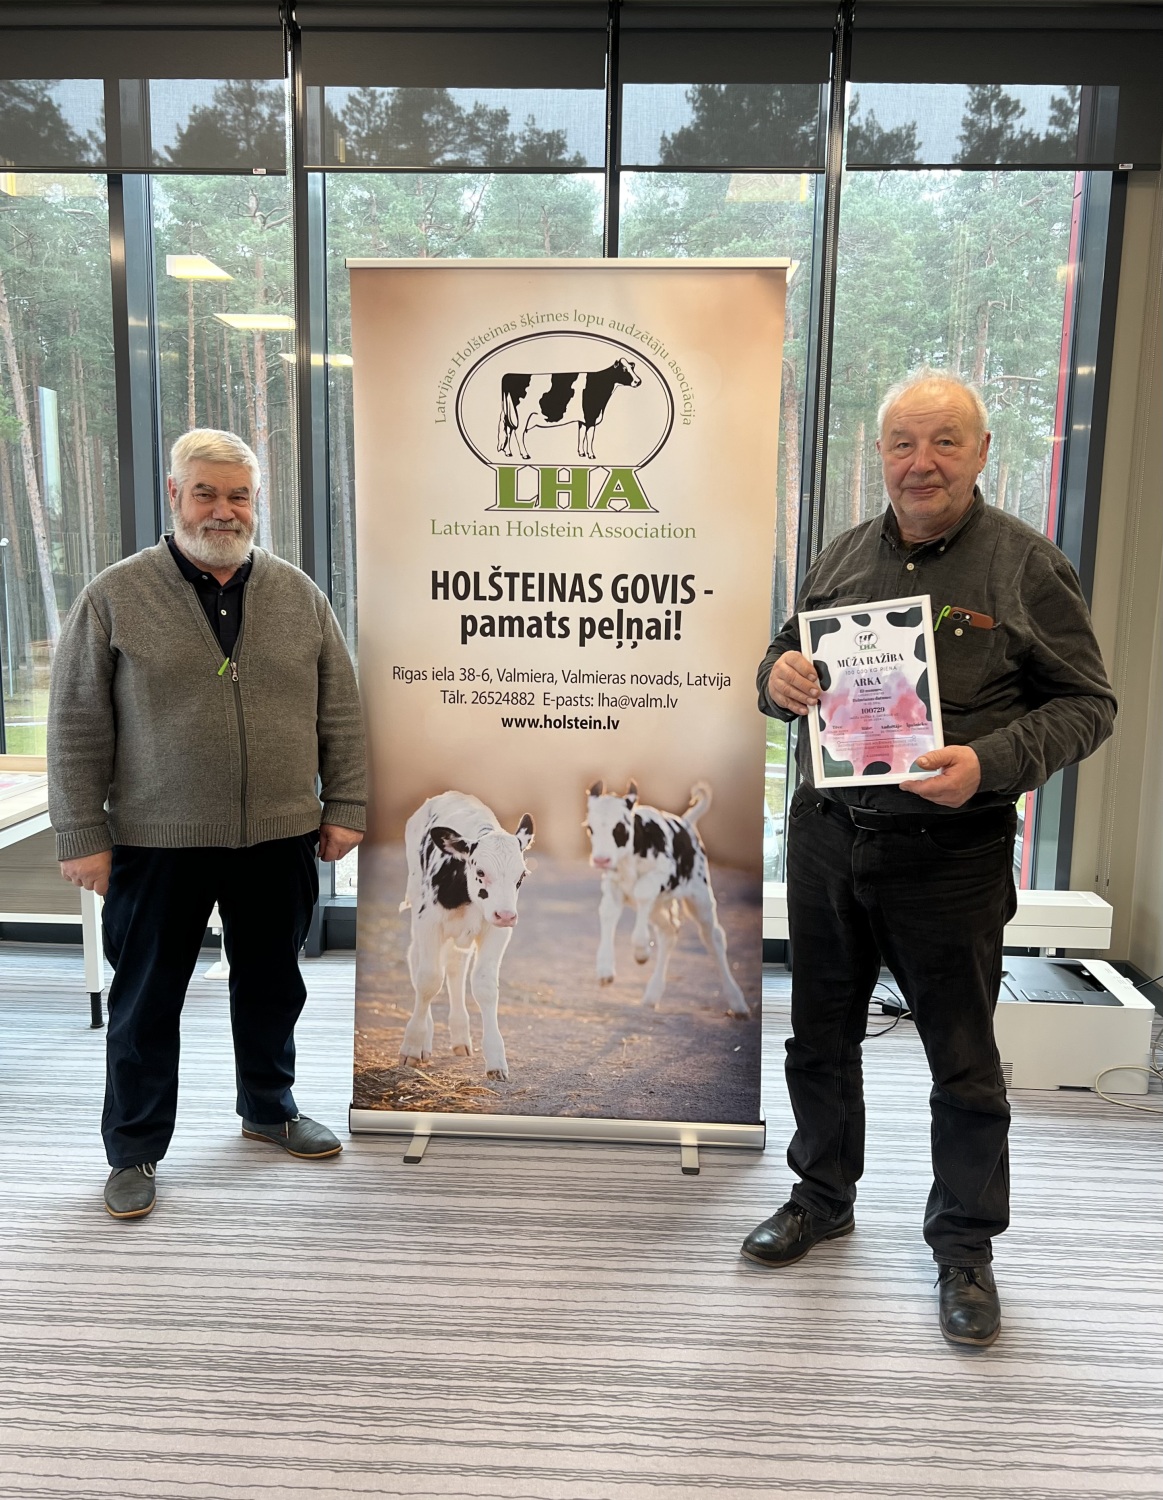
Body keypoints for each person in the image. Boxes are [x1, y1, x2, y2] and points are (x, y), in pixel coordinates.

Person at [744, 370, 1116, 1347]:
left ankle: (963, 1247)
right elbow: (780, 660)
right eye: (903, 443)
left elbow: (1087, 705)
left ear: (981, 451)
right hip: (828, 840)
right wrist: (774, 677)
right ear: (880, 454)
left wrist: (989, 764)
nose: (921, 463)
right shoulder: (837, 557)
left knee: (962, 1064)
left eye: (944, 441)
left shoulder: (1025, 565)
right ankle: (820, 1197)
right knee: (816, 1041)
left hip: (949, 854)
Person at [48, 429, 366, 1221]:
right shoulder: (116, 595)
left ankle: (269, 1108)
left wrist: (346, 807)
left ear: (256, 502)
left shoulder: (299, 595)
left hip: (279, 836)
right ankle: (133, 1148)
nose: (223, 511)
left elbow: (341, 712)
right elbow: (77, 723)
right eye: (206, 493)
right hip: (156, 840)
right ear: (175, 495)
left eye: (238, 496)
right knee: (146, 1002)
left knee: (273, 988)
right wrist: (82, 833)